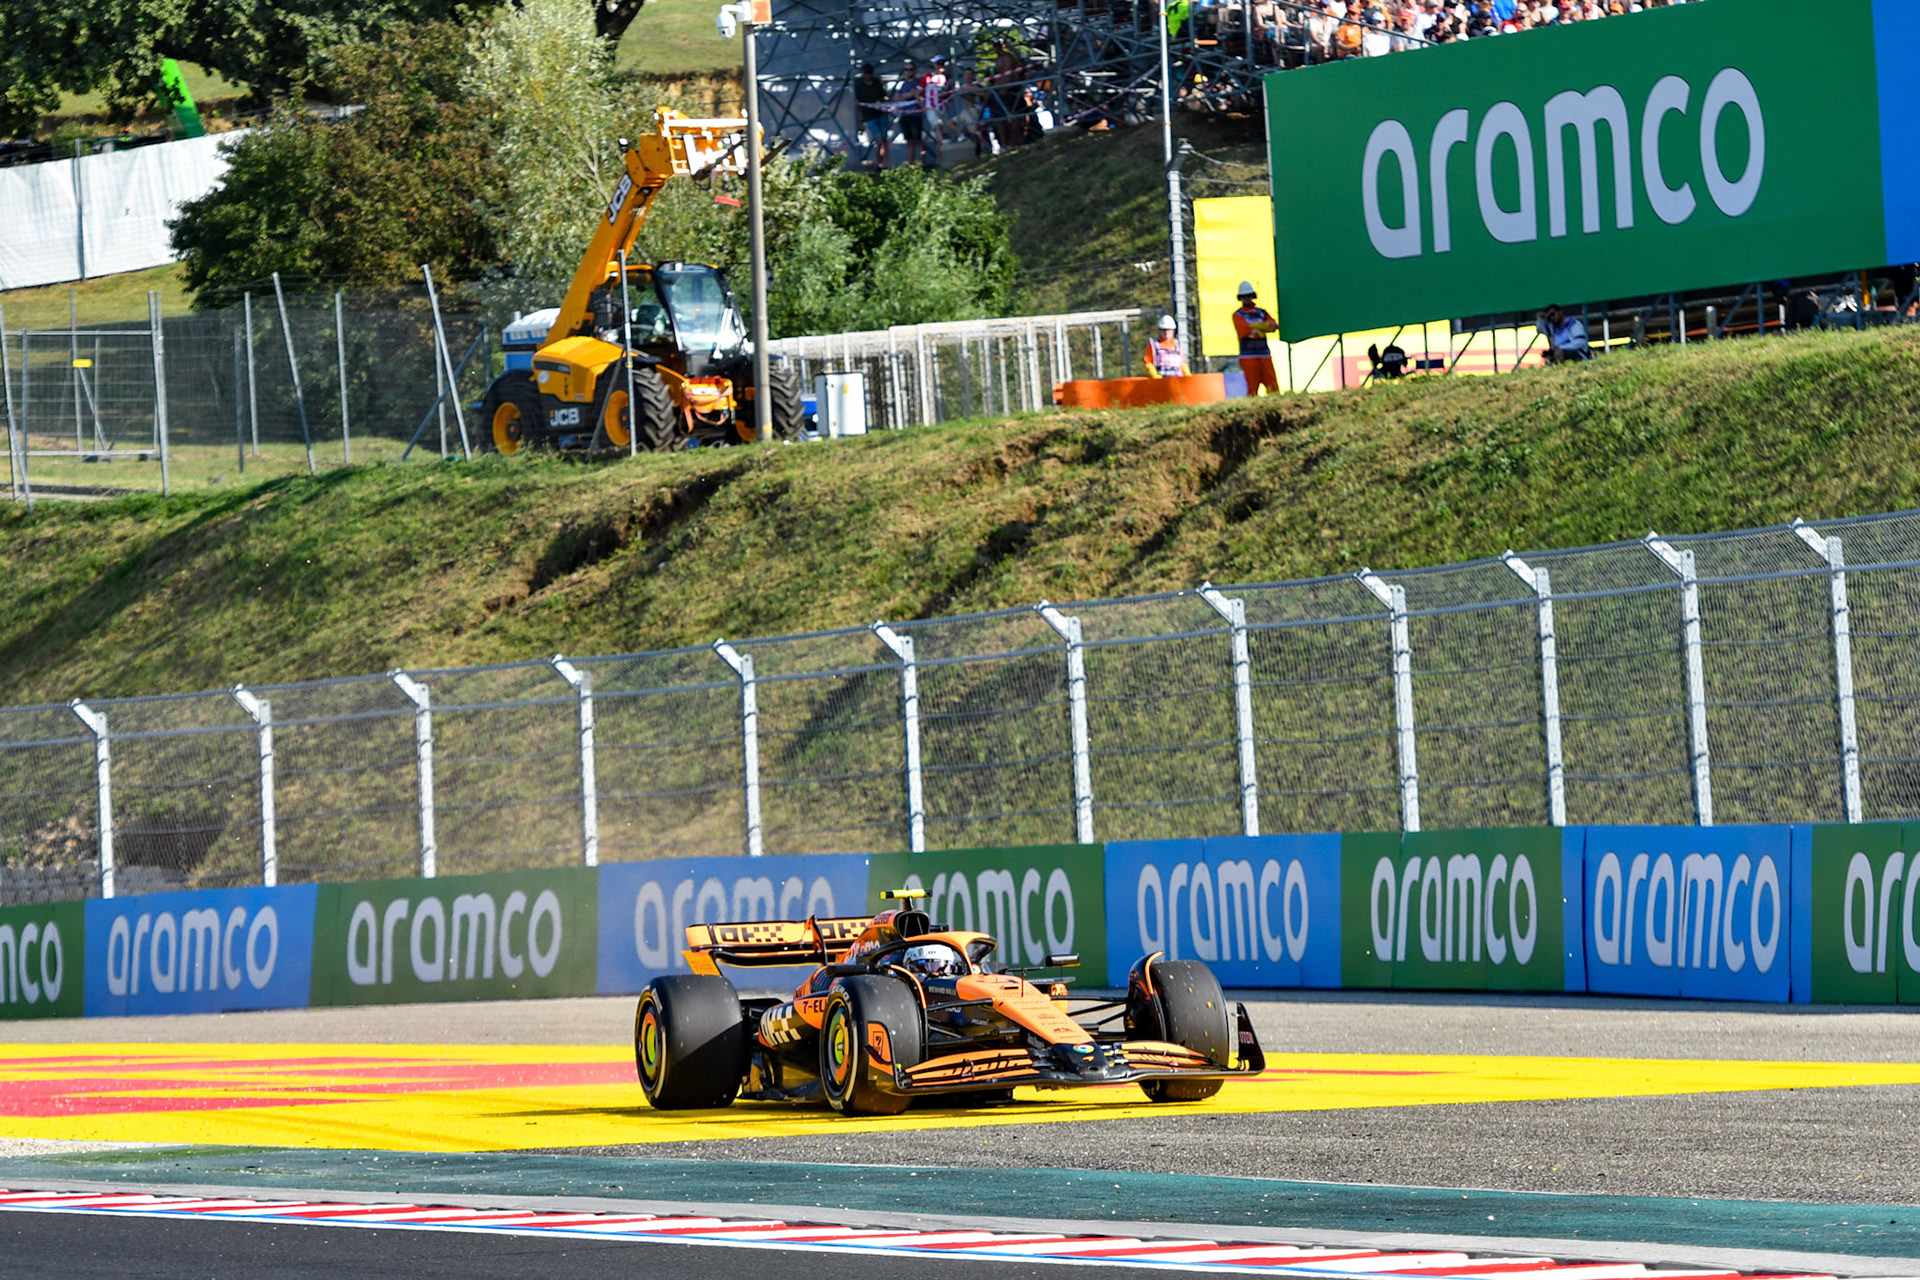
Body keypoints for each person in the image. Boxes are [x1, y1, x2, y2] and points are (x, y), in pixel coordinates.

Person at [1231, 282, 1280, 395]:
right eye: (1244, 296)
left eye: (1249, 295)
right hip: (1248, 356)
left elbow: (1273, 326)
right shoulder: (1237, 315)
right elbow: (1244, 331)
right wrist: (1263, 327)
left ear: (1253, 295)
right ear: (1240, 298)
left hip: (1264, 354)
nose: (1247, 298)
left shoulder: (1262, 312)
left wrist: (1255, 328)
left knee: (1273, 386)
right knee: (1252, 388)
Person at [853, 64, 889, 170]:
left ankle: (884, 163)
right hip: (869, 116)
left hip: (881, 114)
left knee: (884, 140)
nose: (868, 75)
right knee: (879, 140)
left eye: (870, 73)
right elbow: (858, 104)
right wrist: (860, 120)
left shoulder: (877, 83)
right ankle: (879, 163)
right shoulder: (859, 85)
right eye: (866, 73)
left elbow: (884, 96)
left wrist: (885, 103)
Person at [894, 59, 925, 166]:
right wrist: (905, 96)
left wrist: (904, 96)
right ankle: (911, 163)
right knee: (909, 141)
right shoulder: (903, 84)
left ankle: (921, 162)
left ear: (914, 70)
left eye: (911, 69)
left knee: (918, 140)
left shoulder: (918, 83)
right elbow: (897, 98)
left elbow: (913, 95)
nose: (908, 71)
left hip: (915, 115)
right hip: (905, 115)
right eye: (906, 69)